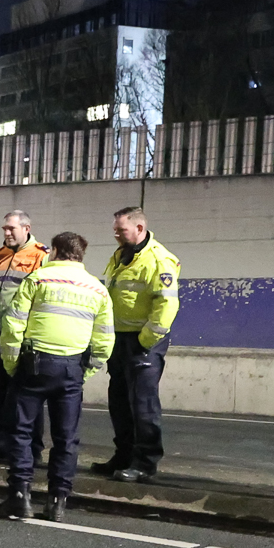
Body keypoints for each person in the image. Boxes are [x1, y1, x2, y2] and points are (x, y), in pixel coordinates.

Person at [0, 232, 114, 522]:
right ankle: (58, 502)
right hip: (72, 369)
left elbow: (12, 324)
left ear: (55, 251)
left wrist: (11, 364)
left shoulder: (38, 280)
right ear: (81, 255)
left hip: (34, 365)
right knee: (66, 438)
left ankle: (19, 497)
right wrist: (86, 370)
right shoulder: (97, 289)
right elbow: (105, 340)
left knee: (20, 432)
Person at [92, 207, 180, 483]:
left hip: (142, 342)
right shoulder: (121, 256)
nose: (116, 234)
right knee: (119, 401)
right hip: (118, 339)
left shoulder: (159, 260)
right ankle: (124, 455)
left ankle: (145, 462)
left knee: (143, 403)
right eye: (116, 229)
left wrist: (146, 341)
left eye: (121, 229)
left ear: (139, 229)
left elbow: (167, 304)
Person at [0, 210, 49, 464]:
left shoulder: (41, 256)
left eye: (11, 229)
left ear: (27, 228)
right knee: (0, 392)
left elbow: (43, 298)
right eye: (4, 228)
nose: (6, 233)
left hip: (22, 338)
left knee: (27, 395)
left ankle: (31, 450)